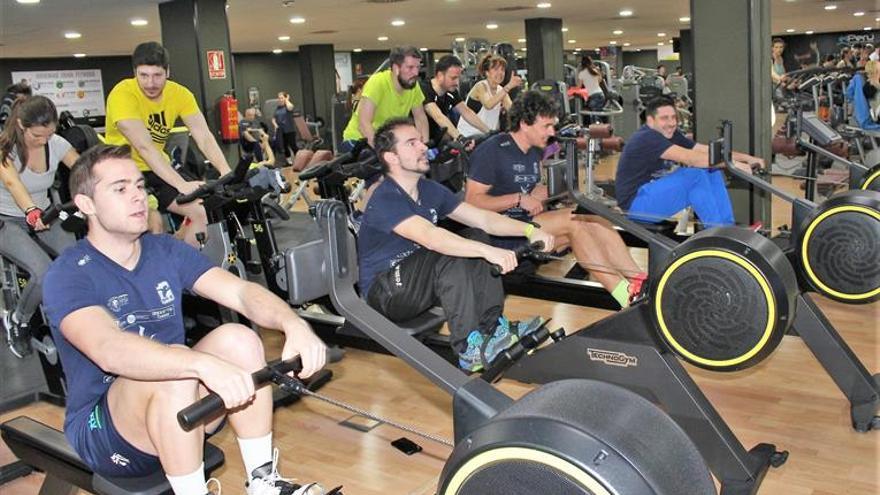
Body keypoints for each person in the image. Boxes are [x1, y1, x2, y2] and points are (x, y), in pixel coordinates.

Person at [42, 144, 329, 495]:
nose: (138, 198)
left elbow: (239, 293)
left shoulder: (164, 250)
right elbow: (108, 348)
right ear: (86, 205)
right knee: (176, 370)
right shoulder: (68, 273)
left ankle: (263, 480)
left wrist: (293, 324)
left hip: (182, 410)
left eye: (139, 186)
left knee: (239, 338)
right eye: (120, 189)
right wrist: (200, 365)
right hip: (106, 431)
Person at [357, 117, 555, 372]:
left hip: (416, 281)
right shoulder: (385, 197)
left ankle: (493, 329)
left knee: (476, 235)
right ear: (391, 158)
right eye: (412, 143)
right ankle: (468, 348)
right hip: (385, 292)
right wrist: (489, 252)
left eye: (420, 140)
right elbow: (431, 237)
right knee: (450, 250)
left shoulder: (429, 189)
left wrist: (530, 230)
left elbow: (482, 218)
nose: (423, 147)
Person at [465, 91, 646, 309]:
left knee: (591, 216)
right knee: (574, 223)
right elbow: (472, 203)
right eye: (546, 126)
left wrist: (544, 193)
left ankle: (640, 281)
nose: (551, 132)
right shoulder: (492, 151)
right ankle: (625, 296)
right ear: (524, 123)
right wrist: (518, 199)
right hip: (500, 235)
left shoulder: (533, 152)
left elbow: (526, 190)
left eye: (553, 126)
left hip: (528, 225)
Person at [103, 41, 233, 248]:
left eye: (157, 75)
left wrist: (226, 171)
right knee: (153, 226)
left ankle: (188, 270)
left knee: (201, 210)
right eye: (143, 75)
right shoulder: (122, 94)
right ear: (134, 72)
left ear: (168, 72)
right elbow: (144, 146)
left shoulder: (180, 94)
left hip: (158, 168)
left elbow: (203, 135)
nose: (150, 83)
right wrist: (179, 183)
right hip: (122, 169)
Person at [0, 96, 79, 358]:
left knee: (77, 259)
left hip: (45, 215)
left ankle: (74, 314)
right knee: (43, 272)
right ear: (21, 125)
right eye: (37, 135)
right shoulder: (4, 148)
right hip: (8, 219)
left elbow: (83, 168)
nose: (44, 141)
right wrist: (31, 212)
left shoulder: (55, 143)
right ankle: (19, 320)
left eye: (49, 134)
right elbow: (14, 185)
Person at [615, 95, 763, 228]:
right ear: (650, 120)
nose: (671, 123)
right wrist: (733, 165)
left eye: (673, 117)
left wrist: (747, 158)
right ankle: (718, 232)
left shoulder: (669, 134)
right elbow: (691, 158)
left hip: (651, 193)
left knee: (710, 169)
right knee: (694, 175)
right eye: (664, 118)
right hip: (636, 205)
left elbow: (705, 151)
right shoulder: (647, 137)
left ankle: (727, 227)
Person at [341, 46, 429, 150]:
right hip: (358, 140)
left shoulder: (413, 85)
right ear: (396, 68)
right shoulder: (378, 82)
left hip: (387, 143)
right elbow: (364, 123)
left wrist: (424, 148)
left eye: (417, 67)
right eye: (410, 67)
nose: (416, 73)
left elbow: (420, 118)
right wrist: (382, 152)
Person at [420, 55, 491, 144]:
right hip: (416, 140)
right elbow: (438, 116)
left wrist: (489, 132)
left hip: (434, 139)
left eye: (458, 78)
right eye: (453, 78)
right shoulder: (424, 89)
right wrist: (459, 138)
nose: (457, 82)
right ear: (440, 75)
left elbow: (466, 112)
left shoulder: (451, 91)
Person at [457, 55, 522, 137]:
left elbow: (512, 110)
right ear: (487, 73)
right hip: (469, 135)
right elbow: (488, 104)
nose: (500, 73)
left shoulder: (500, 90)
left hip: (487, 135)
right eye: (496, 69)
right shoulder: (481, 86)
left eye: (502, 70)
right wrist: (508, 86)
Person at [272, 92, 298, 166]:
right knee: (285, 147)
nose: (280, 99)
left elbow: (290, 107)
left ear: (285, 98)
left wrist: (287, 100)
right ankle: (289, 162)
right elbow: (273, 118)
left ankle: (299, 161)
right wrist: (275, 125)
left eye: (281, 98)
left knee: (293, 146)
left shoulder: (288, 106)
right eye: (279, 98)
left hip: (289, 130)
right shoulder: (277, 108)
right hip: (281, 131)